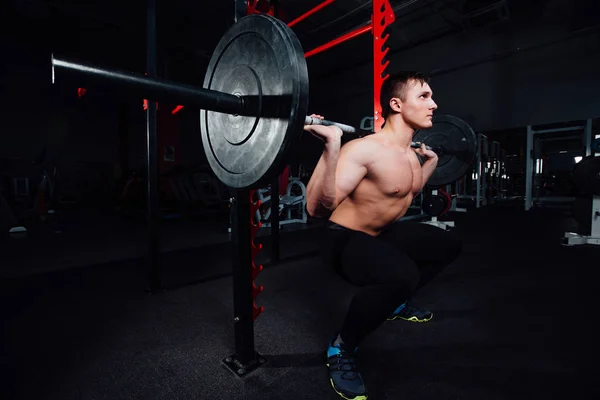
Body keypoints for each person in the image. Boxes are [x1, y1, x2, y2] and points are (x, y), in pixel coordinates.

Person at [305, 71, 463, 400]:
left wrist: (431, 162)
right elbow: (317, 209)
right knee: (401, 275)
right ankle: (341, 347)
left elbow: (411, 188)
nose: (433, 104)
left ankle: (393, 303)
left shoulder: (409, 153)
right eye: (424, 96)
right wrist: (332, 146)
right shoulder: (364, 150)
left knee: (448, 245)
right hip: (343, 241)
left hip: (381, 234)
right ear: (396, 104)